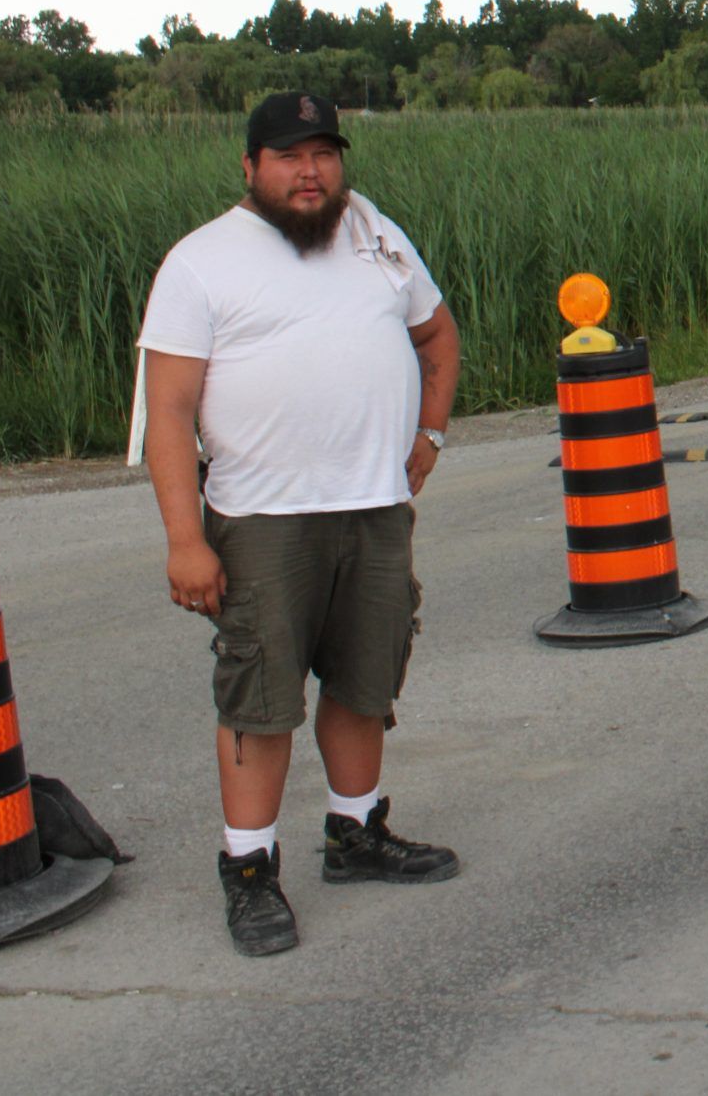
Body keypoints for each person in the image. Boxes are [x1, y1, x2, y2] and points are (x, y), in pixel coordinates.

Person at [137, 92, 463, 957]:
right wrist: (185, 540)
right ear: (250, 167)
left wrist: (429, 432)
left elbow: (437, 335)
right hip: (262, 517)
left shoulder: (376, 234)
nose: (310, 171)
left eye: (323, 153)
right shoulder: (201, 262)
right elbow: (167, 412)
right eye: (288, 155)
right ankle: (249, 869)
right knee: (261, 699)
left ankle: (356, 833)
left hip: (374, 506)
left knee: (365, 680)